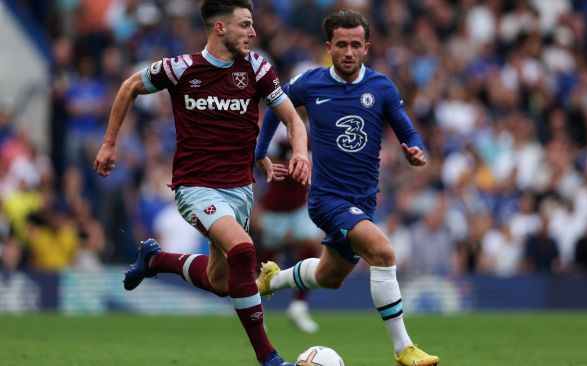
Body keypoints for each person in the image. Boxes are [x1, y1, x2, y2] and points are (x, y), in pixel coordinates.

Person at [93, 1, 310, 365]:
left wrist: (300, 154)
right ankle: (269, 358)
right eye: (245, 24)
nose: (253, 32)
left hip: (239, 190)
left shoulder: (257, 68)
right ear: (220, 28)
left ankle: (155, 259)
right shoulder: (181, 68)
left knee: (223, 282)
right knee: (243, 250)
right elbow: (130, 85)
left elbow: (292, 119)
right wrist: (110, 142)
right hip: (195, 188)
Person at [254, 10, 439, 366]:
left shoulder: (381, 87)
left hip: (363, 202)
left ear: (367, 47)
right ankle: (404, 349)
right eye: (342, 45)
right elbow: (274, 110)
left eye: (356, 45)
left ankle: (273, 280)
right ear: (329, 47)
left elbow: (407, 131)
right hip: (326, 200)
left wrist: (414, 149)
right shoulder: (310, 83)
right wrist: (260, 152)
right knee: (383, 253)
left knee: (330, 276)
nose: (349, 52)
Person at [254, 126, 323, 333]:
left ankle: (299, 306)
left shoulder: (311, 130)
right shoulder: (275, 129)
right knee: (266, 260)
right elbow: (268, 164)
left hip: (300, 206)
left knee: (312, 246)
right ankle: (256, 311)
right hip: (275, 208)